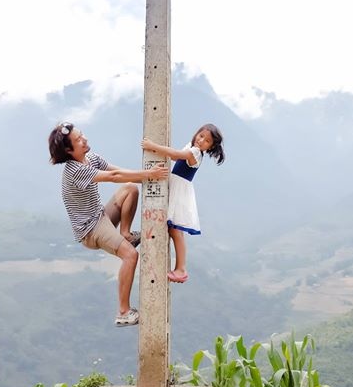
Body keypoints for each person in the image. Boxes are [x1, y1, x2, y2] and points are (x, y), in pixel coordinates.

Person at [48, 121, 169, 326]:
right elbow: (113, 177)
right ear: (68, 150)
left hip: (100, 216)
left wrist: (153, 179)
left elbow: (120, 172)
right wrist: (150, 175)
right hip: (91, 230)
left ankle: (126, 234)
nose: (84, 139)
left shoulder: (91, 158)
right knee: (130, 255)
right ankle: (123, 312)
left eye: (82, 134)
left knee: (130, 189)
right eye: (78, 139)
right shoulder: (74, 170)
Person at [142, 123, 225, 284]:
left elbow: (175, 154)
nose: (201, 141)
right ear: (196, 133)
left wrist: (153, 146)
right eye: (201, 136)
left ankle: (181, 269)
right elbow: (175, 157)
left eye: (207, 141)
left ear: (210, 147)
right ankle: (180, 269)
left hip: (180, 193)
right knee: (174, 231)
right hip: (177, 189)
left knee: (176, 232)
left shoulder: (196, 153)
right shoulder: (192, 147)